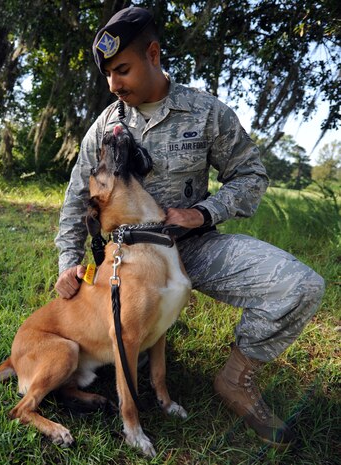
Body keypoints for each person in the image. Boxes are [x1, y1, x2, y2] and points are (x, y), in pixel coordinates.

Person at [53, 6, 325, 448]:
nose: (114, 85)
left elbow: (251, 175)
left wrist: (203, 213)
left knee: (300, 286)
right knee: (119, 360)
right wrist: (69, 263)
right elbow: (76, 199)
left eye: (122, 70)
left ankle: (237, 377)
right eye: (108, 76)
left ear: (154, 54)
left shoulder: (206, 112)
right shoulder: (106, 125)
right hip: (130, 266)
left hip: (194, 248)